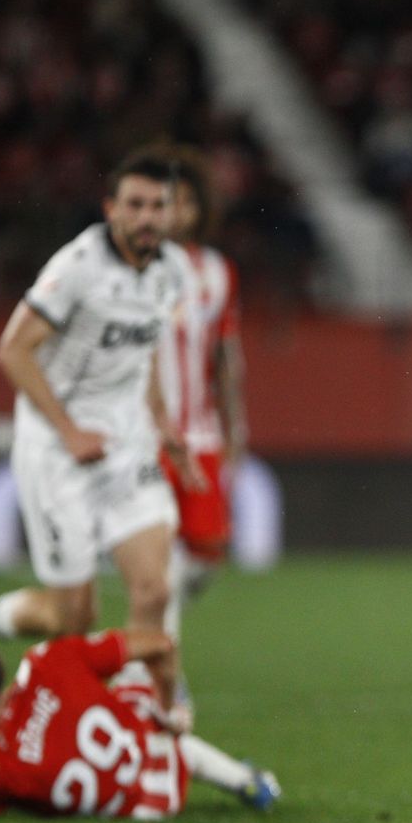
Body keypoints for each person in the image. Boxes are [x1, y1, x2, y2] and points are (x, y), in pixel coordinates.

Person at [0, 148, 203, 725]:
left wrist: (164, 427)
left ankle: (145, 720)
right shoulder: (77, 269)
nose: (148, 217)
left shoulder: (172, 272)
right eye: (136, 205)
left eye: (158, 206)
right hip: (56, 449)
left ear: (172, 214)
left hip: (126, 446)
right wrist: (68, 432)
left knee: (154, 592)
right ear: (111, 209)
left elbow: (142, 357)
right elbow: (12, 352)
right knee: (76, 616)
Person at [0, 628, 278, 818]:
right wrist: (168, 707)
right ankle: (243, 778)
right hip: (161, 761)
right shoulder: (46, 659)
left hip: (148, 809)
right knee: (135, 680)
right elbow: (161, 644)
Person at [155, 144, 249, 709]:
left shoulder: (217, 273)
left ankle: (149, 629)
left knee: (207, 555)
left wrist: (238, 427)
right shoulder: (134, 266)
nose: (174, 213)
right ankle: (165, 671)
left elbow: (226, 357)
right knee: (163, 561)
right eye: (165, 202)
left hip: (203, 434)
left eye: (184, 202)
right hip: (145, 438)